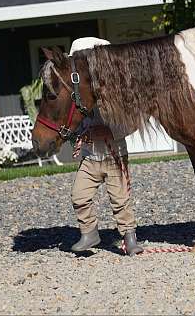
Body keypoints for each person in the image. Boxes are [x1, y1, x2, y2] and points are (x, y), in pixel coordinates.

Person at [67, 37, 143, 256]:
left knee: (120, 199)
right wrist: (79, 133)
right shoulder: (79, 95)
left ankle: (129, 238)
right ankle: (89, 232)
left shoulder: (117, 92)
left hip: (114, 155)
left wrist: (109, 131)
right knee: (79, 195)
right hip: (90, 157)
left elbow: (132, 122)